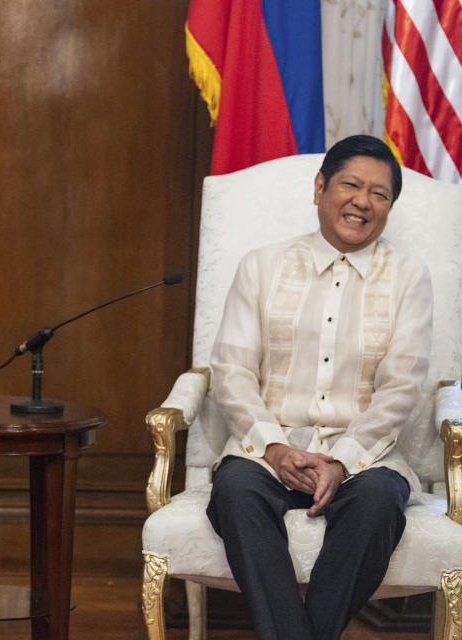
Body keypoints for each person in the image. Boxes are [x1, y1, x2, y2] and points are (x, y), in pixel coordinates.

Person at [204, 135, 432, 640]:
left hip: (364, 457)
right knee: (236, 491)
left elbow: (402, 388)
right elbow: (232, 370)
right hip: (267, 447)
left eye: (380, 194)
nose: (363, 201)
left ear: (389, 208)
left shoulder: (409, 278)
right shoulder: (261, 266)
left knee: (378, 503)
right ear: (320, 188)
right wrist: (276, 447)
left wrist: (342, 460)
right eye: (351, 185)